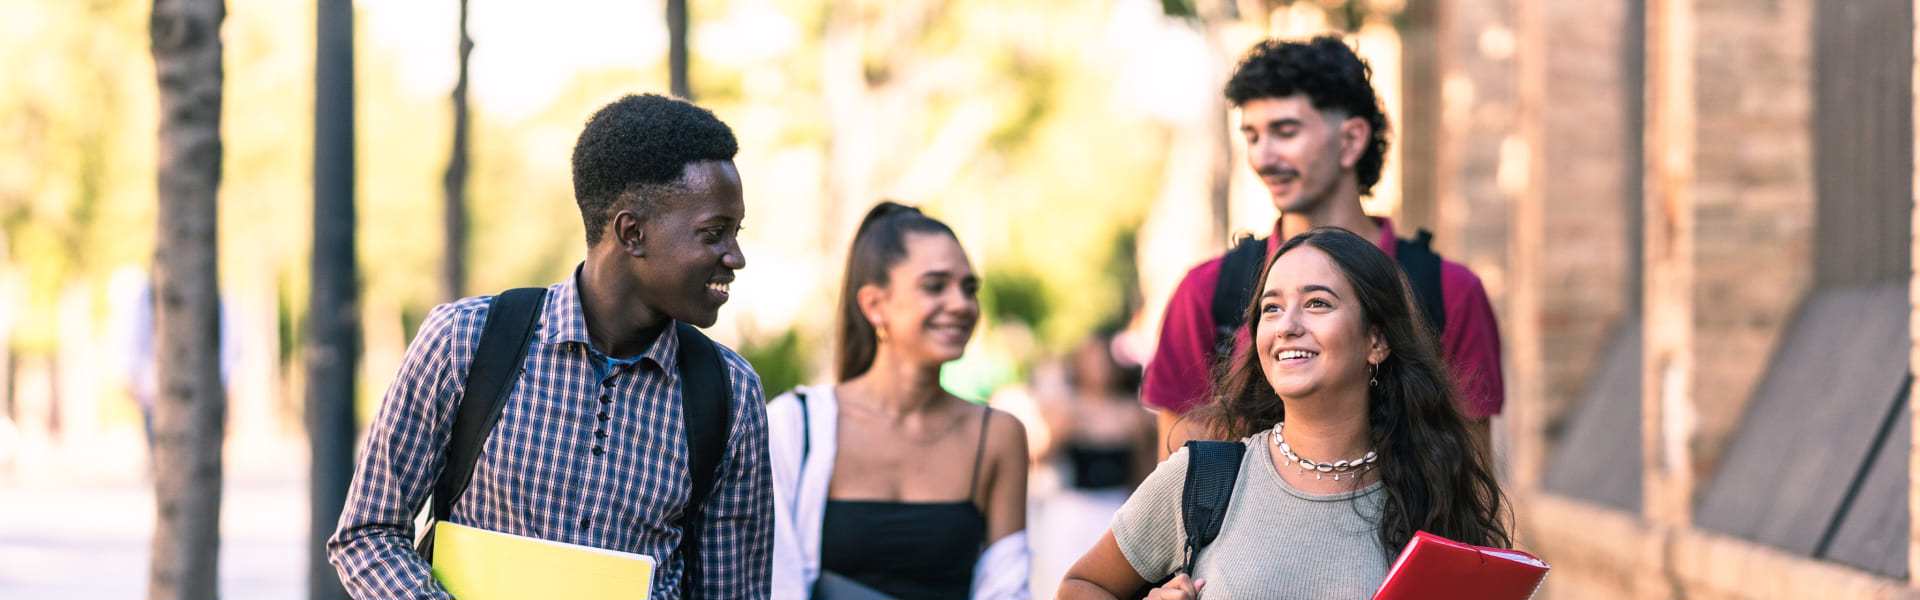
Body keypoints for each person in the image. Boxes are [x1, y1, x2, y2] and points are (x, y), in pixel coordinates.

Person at [328, 94, 772, 599]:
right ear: (633, 233)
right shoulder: (465, 341)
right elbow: (367, 533)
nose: (734, 257)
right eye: (713, 234)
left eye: (735, 233)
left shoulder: (731, 395)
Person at [1060, 228, 1510, 599]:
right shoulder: (1203, 479)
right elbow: (1080, 586)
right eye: (1271, 308)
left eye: (1317, 303)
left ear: (1376, 341)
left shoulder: (1432, 492)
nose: (1287, 325)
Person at [1143, 37, 1504, 456]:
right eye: (1252, 136)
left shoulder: (1449, 292)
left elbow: (1469, 485)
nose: (1263, 157)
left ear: (1351, 140)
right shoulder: (1207, 292)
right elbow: (1182, 486)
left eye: (1285, 131)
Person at [767, 202, 1032, 599]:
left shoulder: (997, 435)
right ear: (875, 305)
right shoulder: (794, 423)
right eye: (935, 285)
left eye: (969, 288)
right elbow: (777, 581)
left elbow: (1006, 588)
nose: (961, 304)